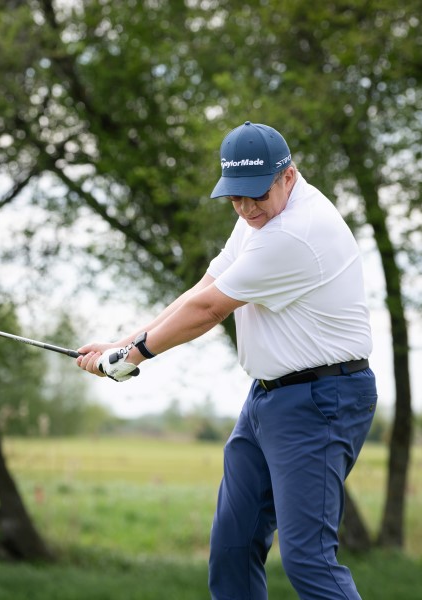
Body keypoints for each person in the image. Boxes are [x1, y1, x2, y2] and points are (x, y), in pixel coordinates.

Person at [76, 121, 376, 599]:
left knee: (307, 560)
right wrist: (122, 343)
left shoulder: (294, 233)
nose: (245, 207)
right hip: (267, 399)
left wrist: (133, 355)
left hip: (322, 400)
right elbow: (203, 286)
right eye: (236, 196)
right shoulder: (258, 217)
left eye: (255, 194)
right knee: (232, 549)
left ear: (289, 176)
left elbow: (210, 309)